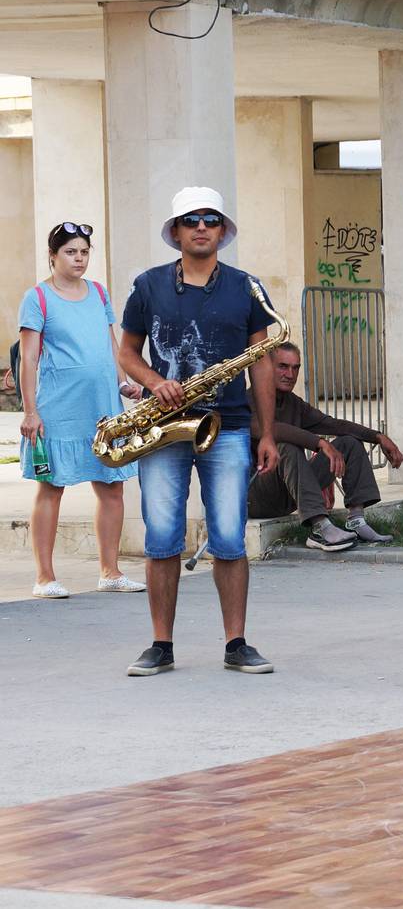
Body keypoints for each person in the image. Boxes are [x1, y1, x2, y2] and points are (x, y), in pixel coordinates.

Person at [117, 188, 280, 676]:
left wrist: (266, 433)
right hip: (162, 428)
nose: (202, 227)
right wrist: (154, 382)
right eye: (192, 220)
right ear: (177, 231)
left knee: (229, 538)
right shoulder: (147, 286)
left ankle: (237, 644)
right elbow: (126, 352)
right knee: (162, 538)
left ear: (222, 230)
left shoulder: (247, 287)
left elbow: (263, 364)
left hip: (227, 427)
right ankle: (160, 645)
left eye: (211, 219)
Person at [16, 221, 143, 598]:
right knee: (52, 487)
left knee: (112, 487)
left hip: (102, 408)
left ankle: (111, 571)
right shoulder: (37, 298)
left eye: (84, 252)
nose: (79, 259)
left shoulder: (99, 292)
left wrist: (122, 383)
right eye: (71, 252)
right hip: (57, 409)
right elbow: (28, 358)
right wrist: (30, 411)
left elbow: (111, 345)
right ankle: (44, 578)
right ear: (53, 256)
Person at [246, 342, 403, 549]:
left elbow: (332, 424)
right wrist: (320, 443)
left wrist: (377, 436)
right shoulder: (247, 402)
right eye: (283, 366)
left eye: (296, 368)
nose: (290, 374)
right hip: (257, 496)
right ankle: (320, 529)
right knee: (286, 446)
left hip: (290, 492)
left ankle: (356, 520)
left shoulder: (293, 403)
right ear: (267, 367)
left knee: (348, 443)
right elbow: (273, 430)